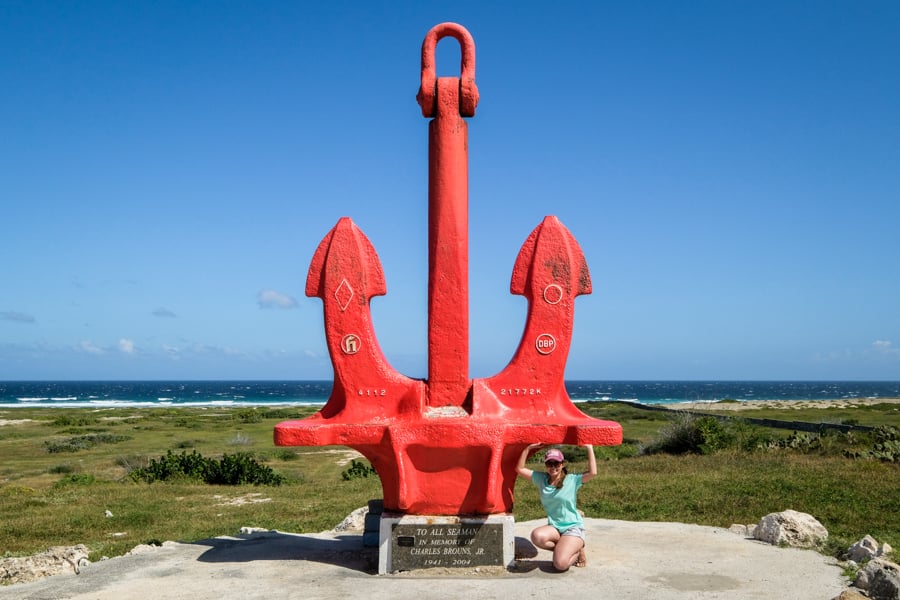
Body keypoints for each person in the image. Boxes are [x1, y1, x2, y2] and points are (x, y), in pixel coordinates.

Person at [515, 443, 597, 571]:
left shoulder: (572, 480)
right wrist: (527, 448)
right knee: (537, 536)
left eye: (556, 463)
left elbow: (593, 473)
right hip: (555, 527)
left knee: (560, 565)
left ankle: (577, 550)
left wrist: (589, 448)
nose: (553, 467)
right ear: (545, 465)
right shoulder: (541, 479)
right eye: (549, 463)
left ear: (562, 464)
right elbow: (519, 469)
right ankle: (566, 548)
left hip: (572, 527)